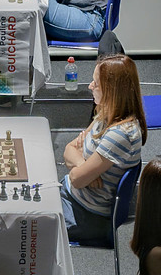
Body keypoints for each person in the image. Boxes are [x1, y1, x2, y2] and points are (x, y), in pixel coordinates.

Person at [58, 54, 147, 246]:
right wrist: (83, 165)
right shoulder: (106, 112)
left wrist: (81, 170)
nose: (90, 86)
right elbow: (68, 149)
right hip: (70, 195)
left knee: (26, 221)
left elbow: (77, 179)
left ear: (112, 91)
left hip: (85, 215)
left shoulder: (120, 134)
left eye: (96, 84)